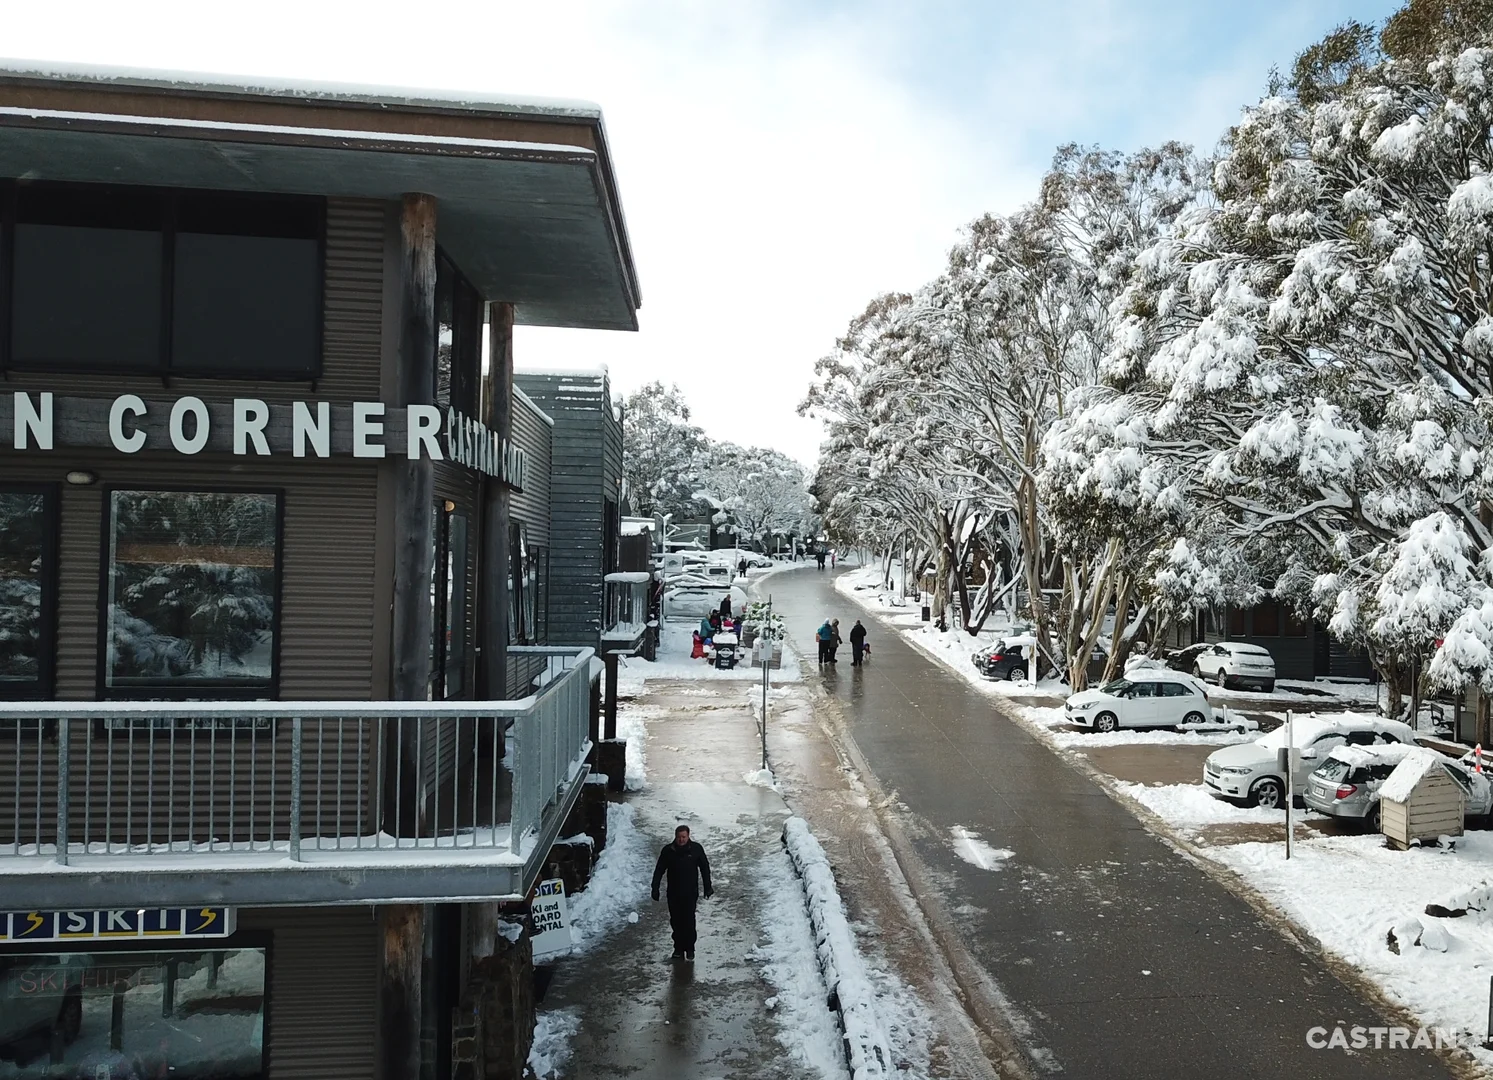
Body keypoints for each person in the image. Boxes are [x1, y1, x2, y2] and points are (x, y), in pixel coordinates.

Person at [651, 824, 713, 960]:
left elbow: (704, 868)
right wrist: (654, 887)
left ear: (688, 836)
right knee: (676, 921)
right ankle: (678, 948)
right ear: (675, 836)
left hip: (690, 892)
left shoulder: (696, 849)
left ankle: (690, 948)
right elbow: (659, 869)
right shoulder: (668, 851)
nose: (681, 840)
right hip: (673, 893)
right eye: (679, 837)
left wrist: (708, 886)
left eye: (683, 837)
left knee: (689, 920)